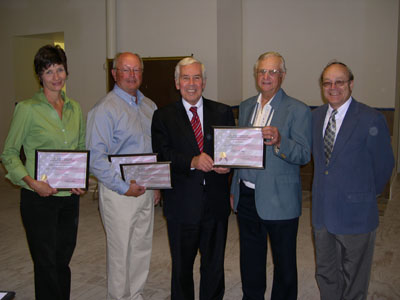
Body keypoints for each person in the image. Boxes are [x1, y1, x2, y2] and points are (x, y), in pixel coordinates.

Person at [1, 45, 85, 300]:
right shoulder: (27, 108)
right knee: (46, 263)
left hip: (68, 199)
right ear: (40, 75)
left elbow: (80, 149)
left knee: (62, 261)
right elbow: (9, 153)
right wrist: (31, 182)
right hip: (38, 199)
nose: (56, 76)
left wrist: (79, 179)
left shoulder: (75, 109)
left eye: (60, 69)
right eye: (49, 71)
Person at [151, 57, 235, 300]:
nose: (191, 83)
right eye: (185, 78)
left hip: (216, 205)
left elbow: (231, 152)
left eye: (196, 77)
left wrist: (227, 167)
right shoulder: (163, 116)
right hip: (182, 205)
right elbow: (162, 154)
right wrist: (192, 161)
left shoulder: (222, 111)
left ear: (204, 82)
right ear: (177, 83)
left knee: (214, 267)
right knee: (181, 269)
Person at [230, 51, 312, 300]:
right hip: (246, 195)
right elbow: (238, 151)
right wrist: (234, 189)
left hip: (281, 198)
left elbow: (304, 154)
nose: (266, 77)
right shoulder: (245, 106)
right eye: (262, 71)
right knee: (250, 258)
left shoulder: (297, 109)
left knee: (284, 262)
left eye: (272, 72)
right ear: (256, 75)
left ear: (282, 76)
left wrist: (279, 141)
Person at [312, 61, 394, 300]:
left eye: (339, 82)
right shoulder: (316, 117)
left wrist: (365, 195)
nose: (333, 87)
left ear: (351, 84)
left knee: (355, 275)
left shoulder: (371, 118)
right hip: (322, 211)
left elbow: (384, 165)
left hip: (357, 213)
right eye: (327, 82)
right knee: (325, 271)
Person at [86, 52, 160, 300]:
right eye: (125, 70)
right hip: (119, 192)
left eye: (136, 70)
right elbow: (95, 158)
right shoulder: (104, 109)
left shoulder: (150, 106)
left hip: (146, 189)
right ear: (114, 73)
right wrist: (122, 187)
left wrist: (157, 184)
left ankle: (135, 294)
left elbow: (155, 150)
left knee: (141, 247)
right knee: (120, 251)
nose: (131, 75)